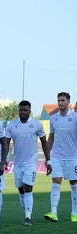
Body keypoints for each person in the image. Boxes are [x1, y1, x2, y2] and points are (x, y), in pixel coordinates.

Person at [5, 100, 51, 226]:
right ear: (18, 111)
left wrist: (48, 159)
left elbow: (44, 142)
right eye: (21, 110)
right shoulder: (11, 125)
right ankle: (27, 212)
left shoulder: (37, 124)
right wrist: (3, 160)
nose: (23, 112)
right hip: (17, 163)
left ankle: (28, 217)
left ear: (30, 111)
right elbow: (5, 143)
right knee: (20, 190)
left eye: (25, 110)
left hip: (31, 162)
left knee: (28, 188)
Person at [44, 92, 77, 222]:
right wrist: (48, 157)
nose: (60, 103)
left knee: (74, 184)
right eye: (58, 100)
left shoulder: (75, 118)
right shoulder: (53, 118)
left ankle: (74, 213)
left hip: (73, 157)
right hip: (57, 156)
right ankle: (53, 213)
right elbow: (51, 138)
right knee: (56, 183)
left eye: (63, 100)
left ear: (68, 102)